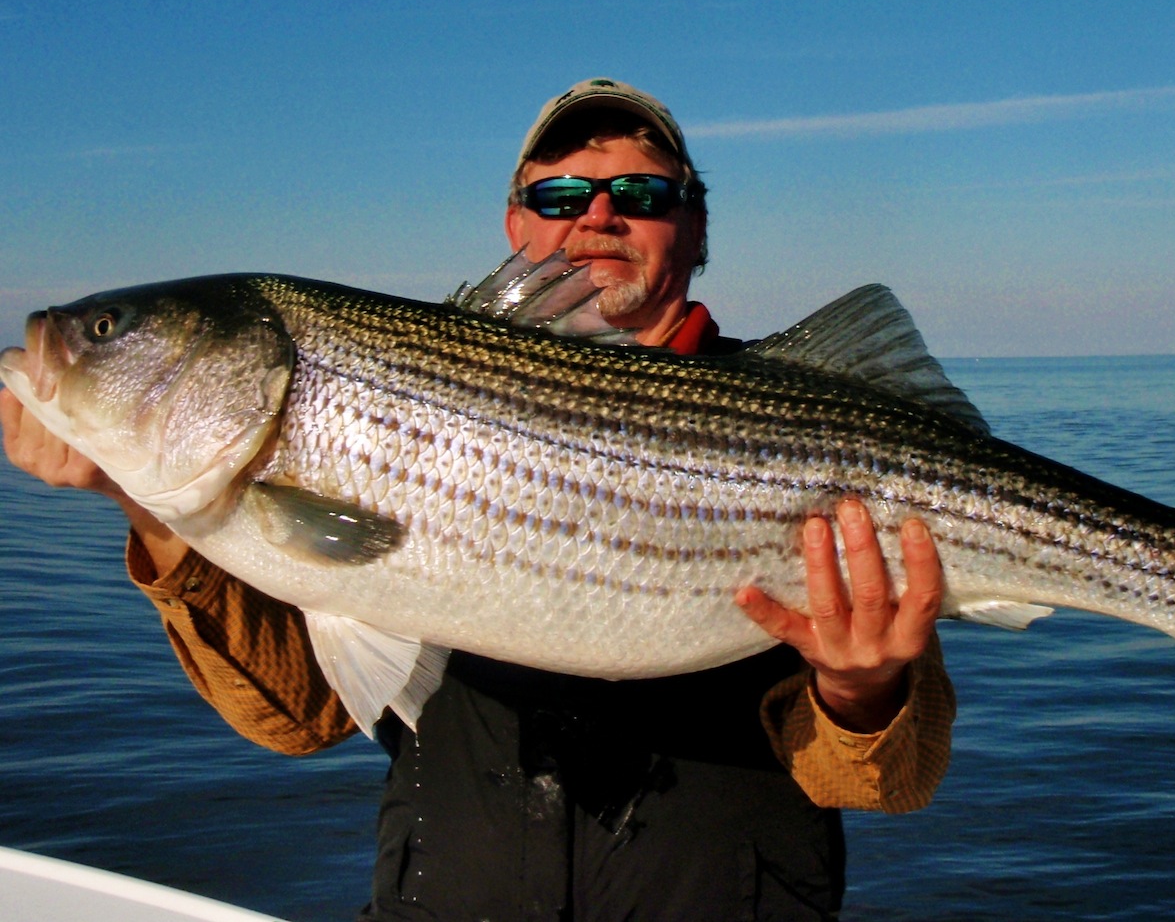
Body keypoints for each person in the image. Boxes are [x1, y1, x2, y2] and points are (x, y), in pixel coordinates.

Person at [1, 78, 956, 921]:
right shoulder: (297, 454)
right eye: (559, 194)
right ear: (517, 225)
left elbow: (886, 781)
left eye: (642, 194)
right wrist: (145, 503)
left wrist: (861, 686)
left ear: (696, 226)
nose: (597, 216)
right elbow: (295, 718)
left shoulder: (818, 434)